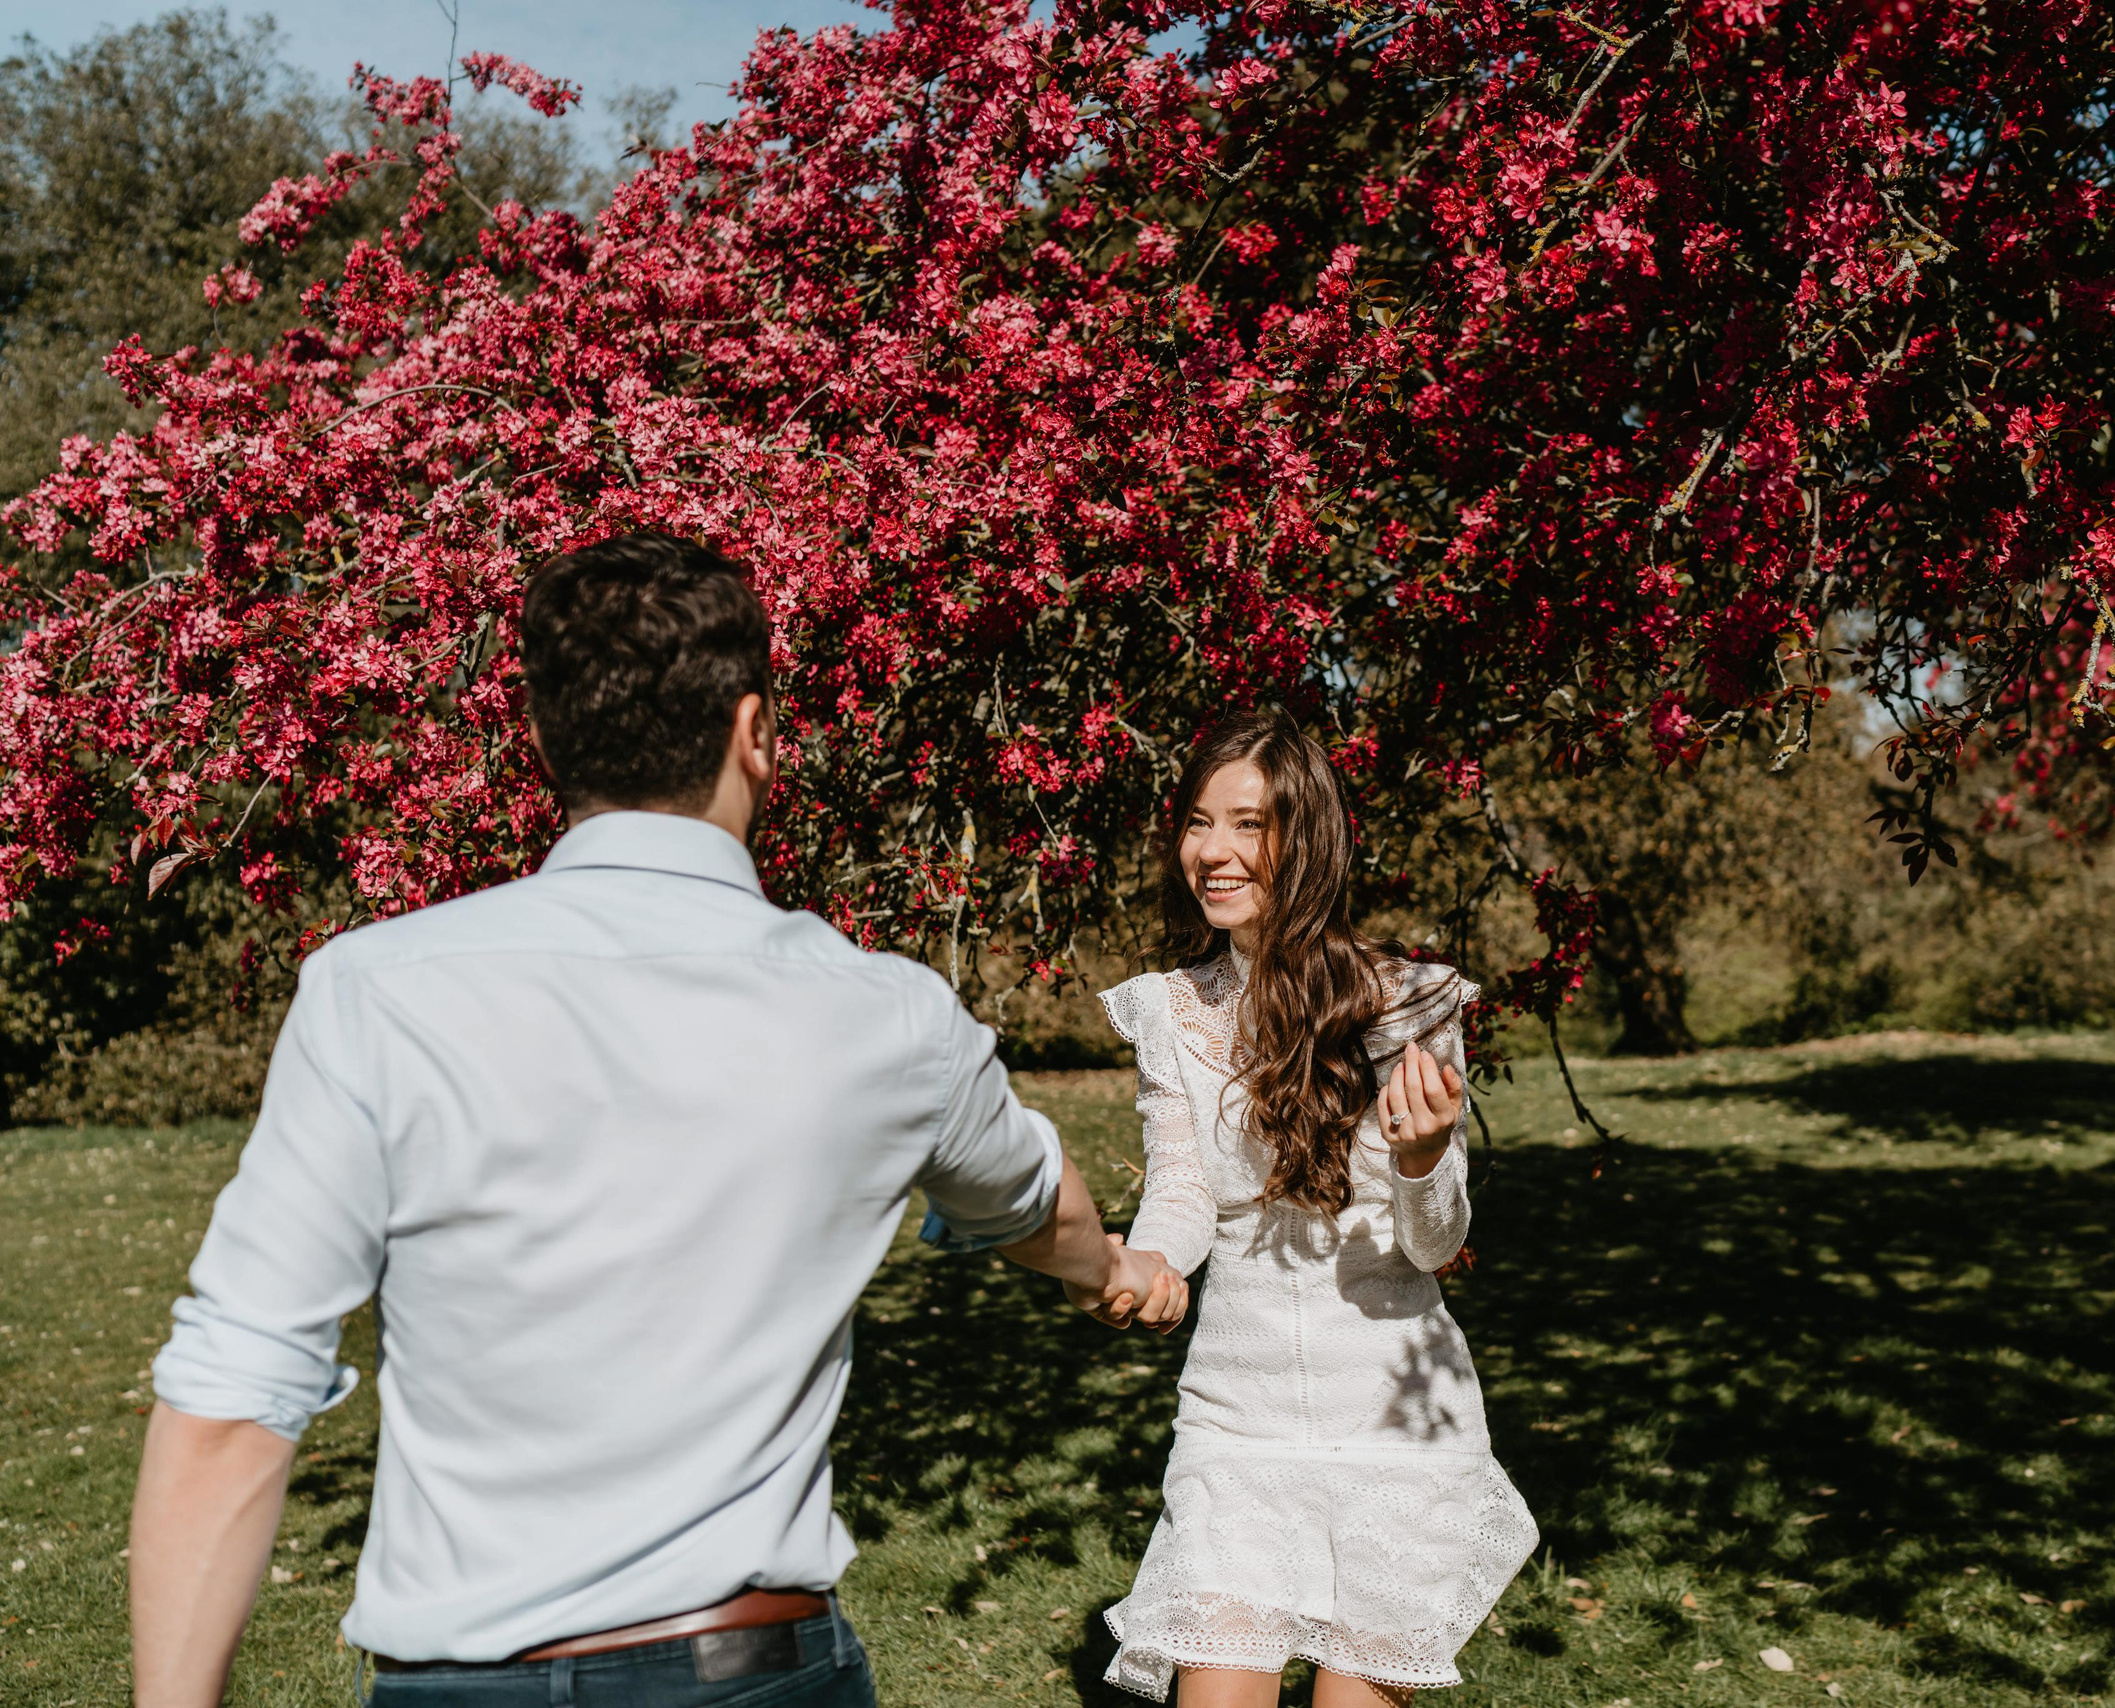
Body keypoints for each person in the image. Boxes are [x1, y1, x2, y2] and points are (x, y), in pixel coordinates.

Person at [127, 533, 1181, 1708]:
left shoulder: (377, 991)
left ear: (542, 740)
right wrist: (1110, 1272)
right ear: (755, 731)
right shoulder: (886, 1017)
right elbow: (1038, 1205)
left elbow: (233, 1391)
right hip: (755, 1677)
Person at [1095, 711, 1539, 1705]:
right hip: (1233, 1425)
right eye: (1199, 822)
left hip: (1391, 1421)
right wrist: (1152, 1265)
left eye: (1247, 824)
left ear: (1307, 839)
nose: (1212, 851)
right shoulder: (1169, 1010)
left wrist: (1424, 1159)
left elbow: (1435, 1243)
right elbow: (1182, 1192)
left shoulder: (1411, 1002)